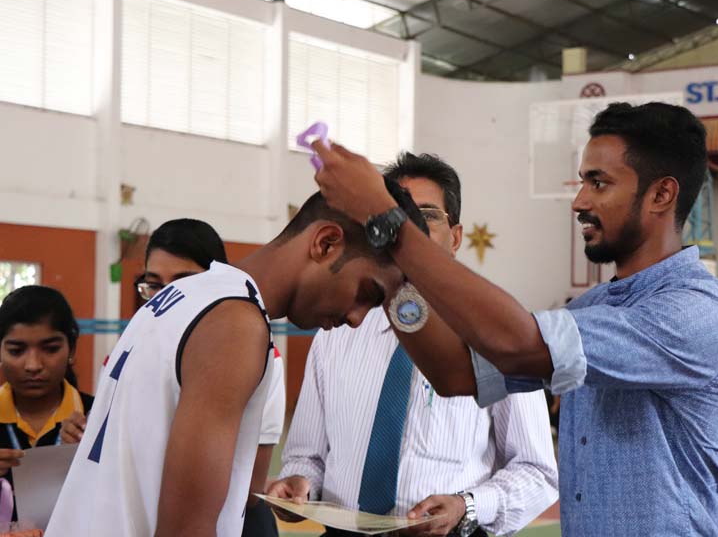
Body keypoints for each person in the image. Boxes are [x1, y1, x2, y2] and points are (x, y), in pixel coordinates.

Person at [310, 101, 718, 536]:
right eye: (583, 182)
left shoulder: (698, 311)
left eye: (598, 183)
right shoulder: (591, 310)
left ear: (661, 195)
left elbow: (517, 345)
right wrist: (395, 281)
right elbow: (456, 372)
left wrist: (389, 223)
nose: (579, 201)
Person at [47, 191, 418, 537]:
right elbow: (186, 530)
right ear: (325, 244)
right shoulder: (235, 323)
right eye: (367, 293)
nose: (357, 318)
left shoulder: (183, 295)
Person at [268, 154, 558, 537]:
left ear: (456, 237)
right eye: (394, 217)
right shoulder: (336, 333)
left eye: (427, 215)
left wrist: (467, 505)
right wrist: (299, 482)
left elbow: (537, 472)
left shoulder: (497, 337)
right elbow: (307, 456)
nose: (410, 229)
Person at [58, 218, 287, 537]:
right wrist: (84, 435)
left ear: (218, 283)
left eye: (184, 283)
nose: (166, 297)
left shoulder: (256, 357)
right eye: (154, 285)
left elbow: (249, 488)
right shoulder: (128, 350)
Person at [0, 286, 94, 519]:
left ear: (71, 349)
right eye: (16, 351)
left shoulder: (97, 418)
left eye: (51, 349)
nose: (33, 365)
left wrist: (95, 456)